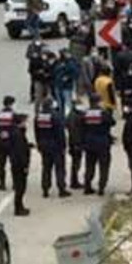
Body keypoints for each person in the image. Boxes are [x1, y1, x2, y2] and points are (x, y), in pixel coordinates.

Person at [83, 66, 117, 195]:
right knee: (103, 166)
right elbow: (112, 123)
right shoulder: (103, 114)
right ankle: (101, 187)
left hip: (89, 142)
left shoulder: (85, 114)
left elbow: (82, 127)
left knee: (89, 165)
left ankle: (87, 186)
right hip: (103, 142)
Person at [33, 86, 70, 198]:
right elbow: (60, 133)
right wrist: (63, 145)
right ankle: (61, 189)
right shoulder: (55, 116)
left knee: (46, 168)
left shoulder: (38, 117)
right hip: (55, 146)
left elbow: (37, 133)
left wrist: (39, 144)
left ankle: (45, 189)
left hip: (44, 145)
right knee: (59, 168)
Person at [0, 95, 26, 192]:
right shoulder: (14, 116)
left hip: (1, 143)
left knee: (1, 164)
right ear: (11, 104)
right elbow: (21, 129)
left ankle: (2, 183)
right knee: (14, 163)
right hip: (13, 144)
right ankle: (15, 183)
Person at [52, 49, 79, 114]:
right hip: (58, 85)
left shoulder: (71, 62)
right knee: (60, 104)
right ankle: (62, 118)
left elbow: (76, 72)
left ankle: (69, 119)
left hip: (66, 86)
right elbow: (53, 71)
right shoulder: (58, 62)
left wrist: (68, 77)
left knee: (67, 104)